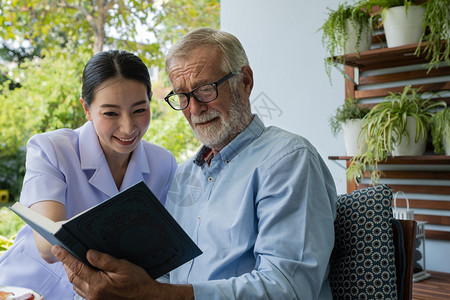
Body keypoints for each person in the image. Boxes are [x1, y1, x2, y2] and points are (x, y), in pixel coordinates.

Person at [53, 28, 338, 299]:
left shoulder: (288, 159)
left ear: (245, 82)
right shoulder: (184, 175)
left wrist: (152, 295)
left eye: (205, 89)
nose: (194, 108)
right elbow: (166, 277)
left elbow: (289, 288)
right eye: (182, 96)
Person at [0, 50, 177, 300]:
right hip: (29, 288)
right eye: (111, 113)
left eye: (139, 110)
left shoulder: (164, 164)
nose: (128, 127)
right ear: (87, 108)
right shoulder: (51, 149)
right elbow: (48, 245)